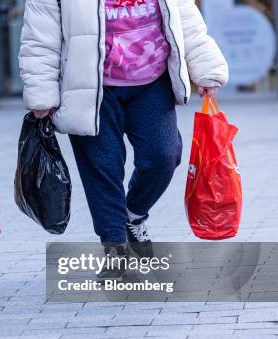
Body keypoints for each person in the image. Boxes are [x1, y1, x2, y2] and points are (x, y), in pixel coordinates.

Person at [19, 0, 228, 280]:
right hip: (90, 87)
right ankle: (114, 246)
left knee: (163, 156)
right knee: (102, 168)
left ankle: (133, 213)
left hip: (152, 81)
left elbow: (186, 18)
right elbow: (40, 36)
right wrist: (41, 92)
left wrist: (205, 69)